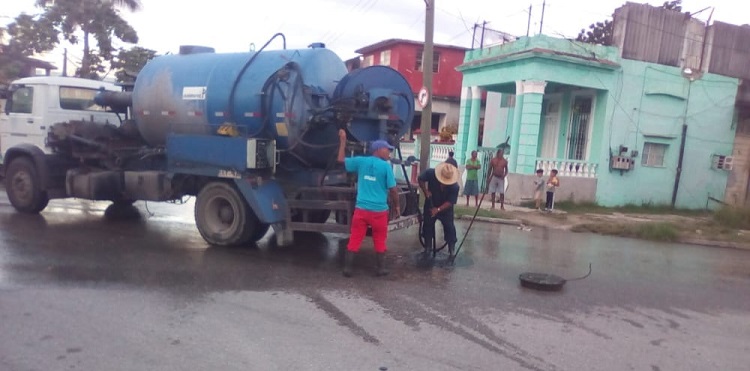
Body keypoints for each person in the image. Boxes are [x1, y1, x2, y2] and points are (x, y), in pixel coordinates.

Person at [337, 129, 400, 277]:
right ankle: (381, 269)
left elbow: (340, 159)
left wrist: (343, 141)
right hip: (379, 212)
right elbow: (393, 190)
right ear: (378, 150)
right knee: (379, 240)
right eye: (387, 149)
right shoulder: (386, 167)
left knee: (355, 238)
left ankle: (347, 269)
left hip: (362, 210)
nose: (389, 152)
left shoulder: (361, 161)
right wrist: (397, 206)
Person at [418, 162, 460, 258]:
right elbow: (420, 178)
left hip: (445, 208)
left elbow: (450, 202)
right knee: (427, 224)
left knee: (449, 226)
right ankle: (428, 247)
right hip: (431, 203)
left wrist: (438, 209)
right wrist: (425, 191)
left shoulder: (455, 186)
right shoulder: (431, 173)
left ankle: (451, 248)